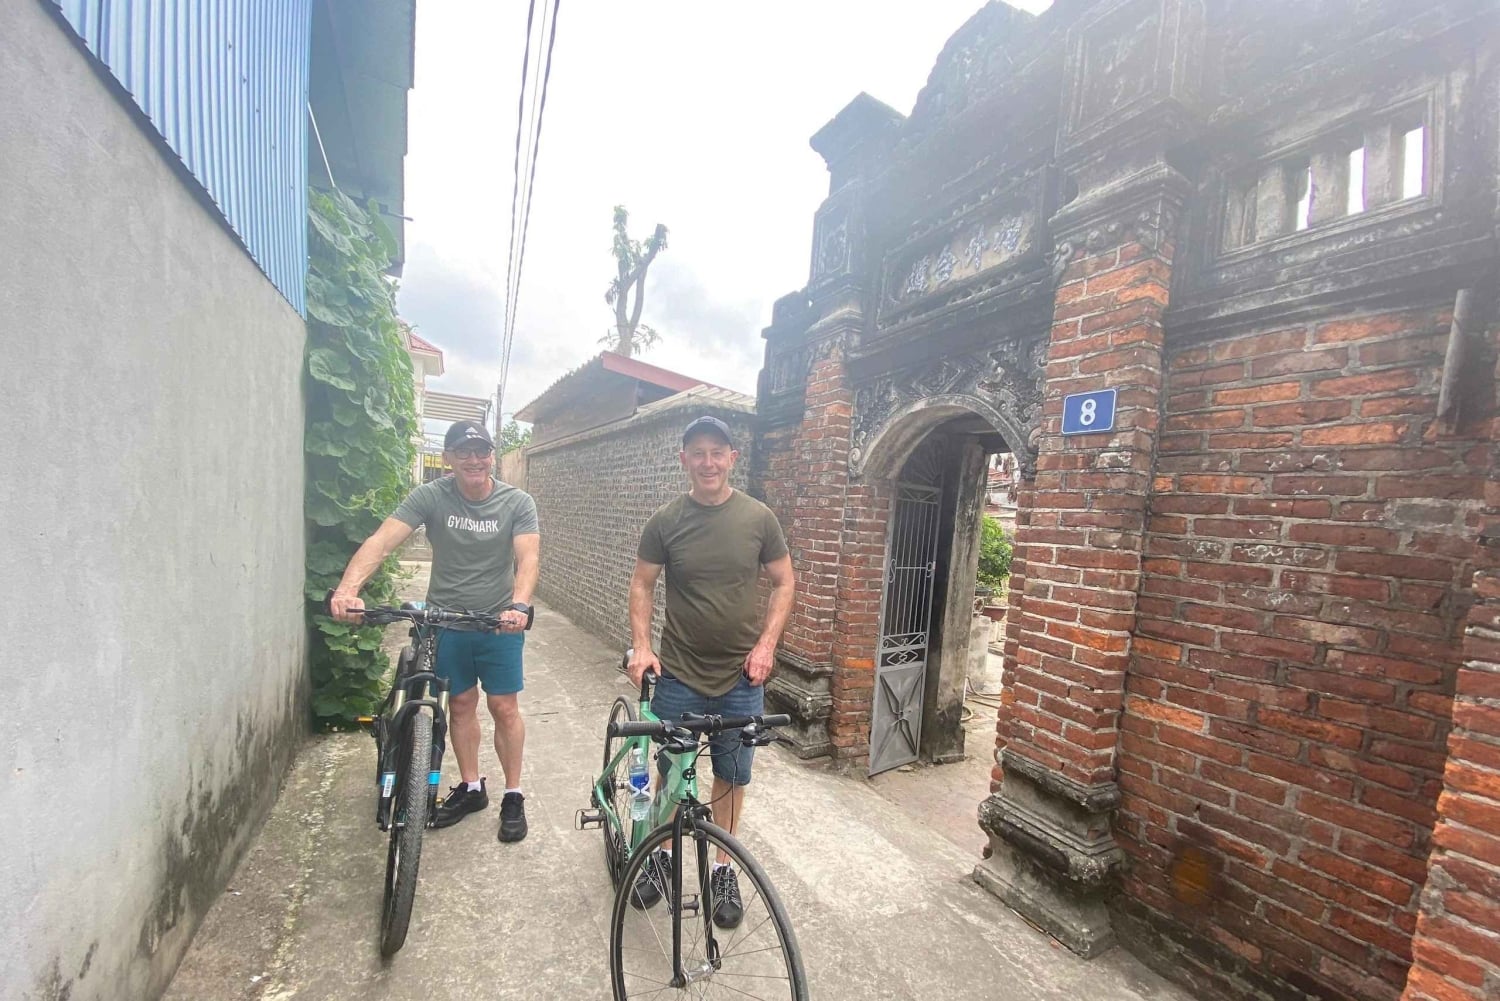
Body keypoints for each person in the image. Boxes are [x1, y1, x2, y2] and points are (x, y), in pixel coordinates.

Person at [331, 419, 540, 843]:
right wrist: (348, 590)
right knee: (460, 706)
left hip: (498, 623)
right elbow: (382, 540)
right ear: (448, 459)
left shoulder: (516, 502)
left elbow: (528, 557)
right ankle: (472, 786)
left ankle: (513, 794)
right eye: (463, 452)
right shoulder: (431, 496)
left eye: (481, 451)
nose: (474, 459)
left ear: (492, 456)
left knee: (504, 708)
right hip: (445, 621)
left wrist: (519, 605)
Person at [627, 415, 795, 928]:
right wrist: (641, 646)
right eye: (697, 452)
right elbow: (641, 584)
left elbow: (785, 582)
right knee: (671, 768)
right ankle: (657, 853)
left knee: (731, 773)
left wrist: (767, 645)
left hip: (741, 677)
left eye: (716, 452)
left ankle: (723, 867)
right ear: (685, 460)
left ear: (731, 458)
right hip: (678, 670)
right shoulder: (666, 521)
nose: (707, 462)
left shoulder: (759, 518)